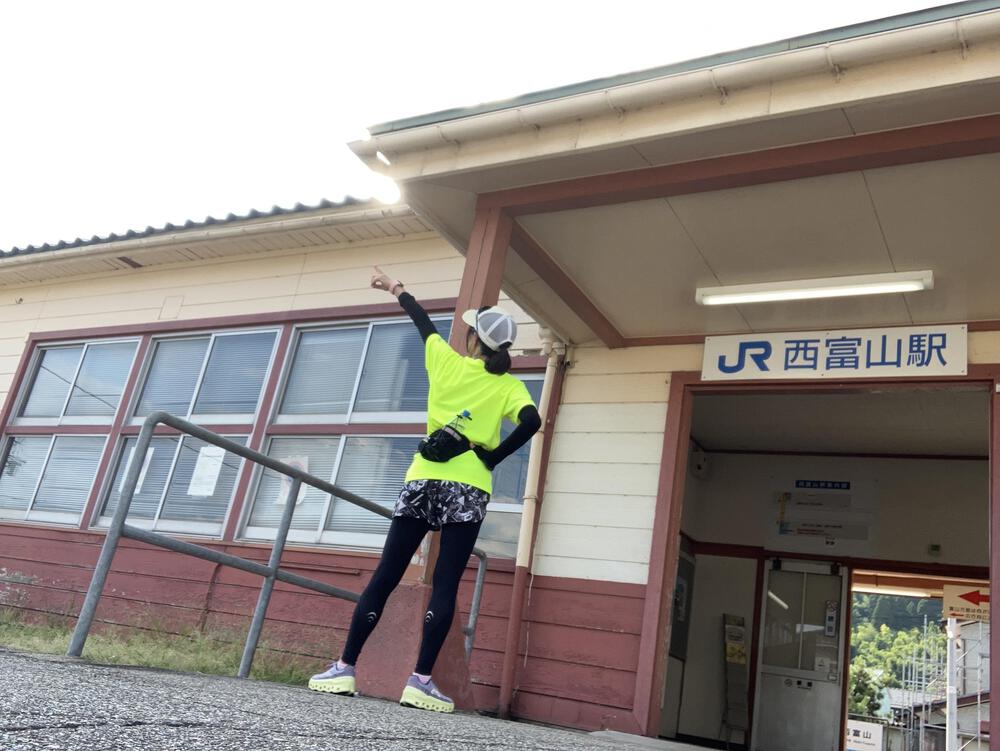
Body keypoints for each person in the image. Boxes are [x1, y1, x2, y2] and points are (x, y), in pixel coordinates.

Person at [308, 266, 542, 713]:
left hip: (422, 477)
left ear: (474, 340)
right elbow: (532, 422)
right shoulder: (510, 385)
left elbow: (422, 322)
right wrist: (491, 457)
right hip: (469, 485)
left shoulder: (445, 361)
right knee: (446, 584)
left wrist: (395, 287)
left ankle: (344, 668)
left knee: (388, 573)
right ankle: (420, 682)